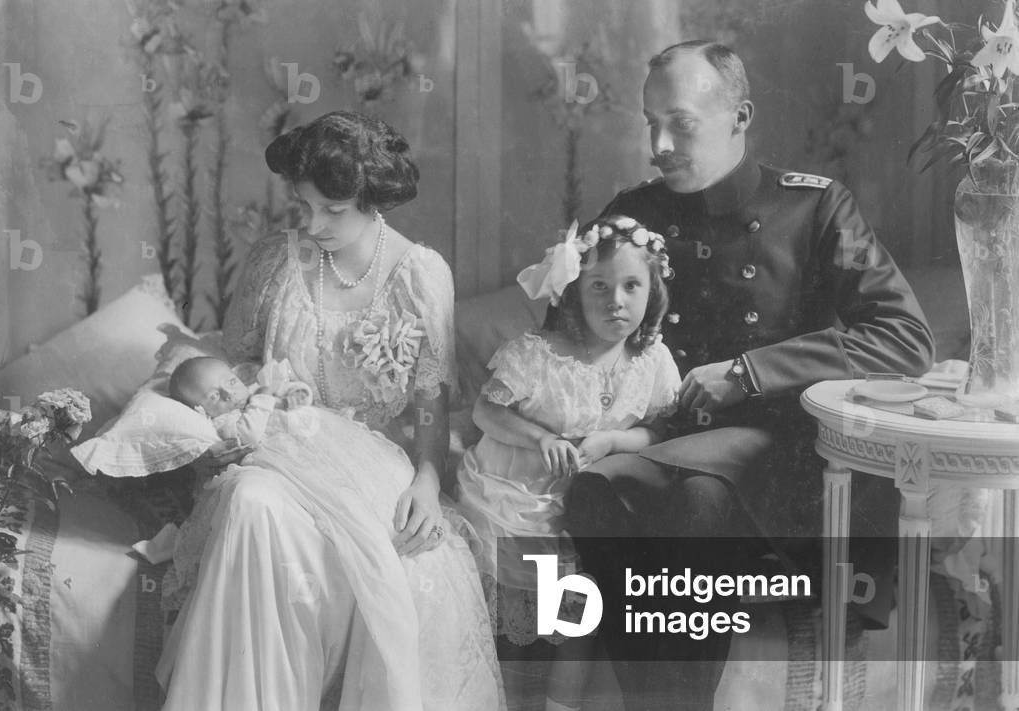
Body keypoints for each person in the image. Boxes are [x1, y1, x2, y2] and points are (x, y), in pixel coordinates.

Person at [563, 41, 935, 710]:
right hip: (660, 436)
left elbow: (904, 337)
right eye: (650, 124)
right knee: (594, 491)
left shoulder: (816, 207)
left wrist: (751, 371)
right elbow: (565, 327)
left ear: (740, 116)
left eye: (680, 123)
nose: (659, 145)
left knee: (696, 499)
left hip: (780, 455)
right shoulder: (633, 213)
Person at [155, 110, 505, 711]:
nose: (313, 225)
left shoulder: (421, 275)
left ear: (374, 201)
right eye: (305, 205)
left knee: (388, 568)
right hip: (280, 455)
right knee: (249, 503)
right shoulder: (273, 261)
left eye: (333, 210)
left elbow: (431, 400)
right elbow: (236, 364)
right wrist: (229, 419)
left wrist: (427, 478)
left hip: (372, 471)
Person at [455, 216, 682, 711]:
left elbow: (663, 428)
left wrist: (616, 439)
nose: (615, 301)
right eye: (599, 286)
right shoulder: (538, 354)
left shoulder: (653, 361)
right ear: (575, 292)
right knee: (516, 620)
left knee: (582, 614)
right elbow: (485, 412)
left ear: (652, 293)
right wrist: (541, 437)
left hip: (582, 502)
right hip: (514, 493)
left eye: (631, 286)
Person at [168, 356, 313, 446]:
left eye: (231, 382)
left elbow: (284, 390)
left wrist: (298, 392)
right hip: (278, 458)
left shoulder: (253, 392)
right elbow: (249, 436)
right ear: (200, 411)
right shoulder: (224, 422)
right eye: (214, 396)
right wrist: (263, 397)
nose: (229, 394)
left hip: (306, 438)